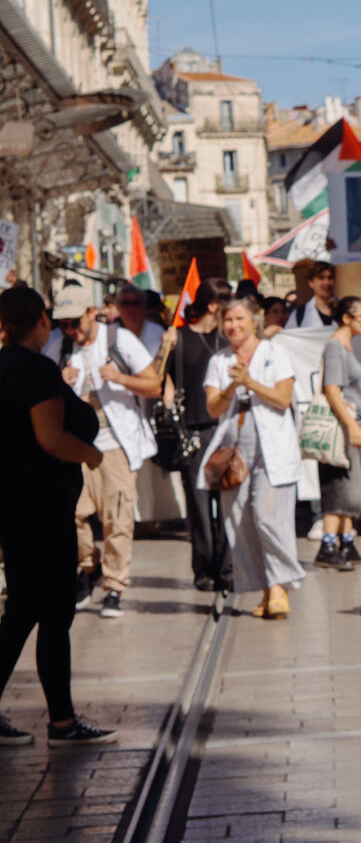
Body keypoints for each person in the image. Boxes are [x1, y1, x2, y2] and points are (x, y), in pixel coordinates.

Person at [0, 288, 117, 747]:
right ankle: (63, 723)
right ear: (42, 322)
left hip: (12, 506)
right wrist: (90, 454)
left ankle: (61, 720)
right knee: (54, 613)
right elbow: (50, 438)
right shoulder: (36, 370)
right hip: (42, 507)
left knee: (22, 611)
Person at [57, 285, 162, 618]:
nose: (70, 329)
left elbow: (154, 384)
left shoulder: (119, 340)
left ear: (91, 313)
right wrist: (58, 380)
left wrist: (119, 378)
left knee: (117, 517)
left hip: (115, 443)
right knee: (73, 514)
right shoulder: (59, 346)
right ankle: (88, 567)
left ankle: (115, 585)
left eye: (75, 321)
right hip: (76, 445)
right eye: (63, 323)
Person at [200, 297, 305, 619]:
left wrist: (250, 382)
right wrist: (233, 385)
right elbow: (213, 408)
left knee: (268, 517)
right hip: (234, 449)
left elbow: (283, 398)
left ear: (254, 321)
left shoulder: (275, 353)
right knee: (241, 520)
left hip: (273, 447)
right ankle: (268, 589)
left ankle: (279, 585)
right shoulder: (218, 360)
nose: (233, 326)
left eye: (239, 319)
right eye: (228, 320)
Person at [169, 277, 233, 592]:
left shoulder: (228, 339)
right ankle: (204, 569)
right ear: (212, 305)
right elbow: (162, 381)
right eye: (227, 302)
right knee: (199, 506)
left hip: (226, 429)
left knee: (228, 501)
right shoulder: (179, 338)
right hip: (194, 430)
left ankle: (227, 569)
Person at [315, 297, 361, 571]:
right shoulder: (335, 347)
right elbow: (332, 390)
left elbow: (353, 392)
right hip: (340, 428)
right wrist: (352, 425)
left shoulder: (346, 347)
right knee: (338, 486)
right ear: (346, 318)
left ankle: (345, 540)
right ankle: (327, 545)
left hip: (352, 422)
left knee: (351, 486)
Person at [290, 261, 335, 328]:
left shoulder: (345, 310)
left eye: (330, 278)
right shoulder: (299, 315)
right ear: (311, 283)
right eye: (321, 278)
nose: (326, 283)